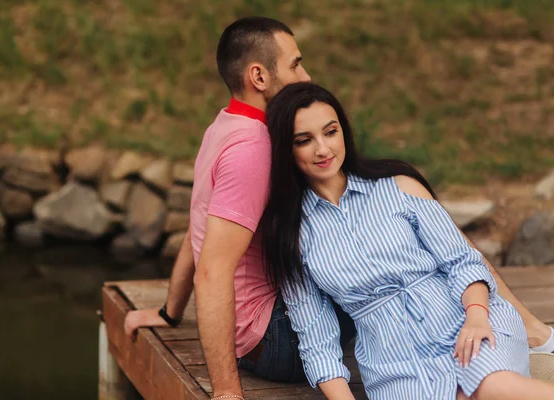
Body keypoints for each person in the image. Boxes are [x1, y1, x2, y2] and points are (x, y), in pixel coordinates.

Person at [123, 16, 554, 400]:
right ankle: (526, 326)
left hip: (423, 319)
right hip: (275, 337)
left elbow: (200, 228)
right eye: (294, 64)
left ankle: (516, 325)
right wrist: (226, 392)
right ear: (258, 75)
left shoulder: (223, 126)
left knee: (420, 217)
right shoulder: (255, 151)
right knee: (408, 239)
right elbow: (213, 268)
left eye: (330, 132)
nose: (304, 73)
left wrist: (170, 310)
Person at [261, 81, 554, 399]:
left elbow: (461, 261)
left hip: (465, 321)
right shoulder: (291, 234)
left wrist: (477, 316)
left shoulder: (399, 185)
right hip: (394, 362)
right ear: (286, 150)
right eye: (305, 140)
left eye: (330, 132)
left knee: (492, 389)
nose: (323, 149)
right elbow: (316, 338)